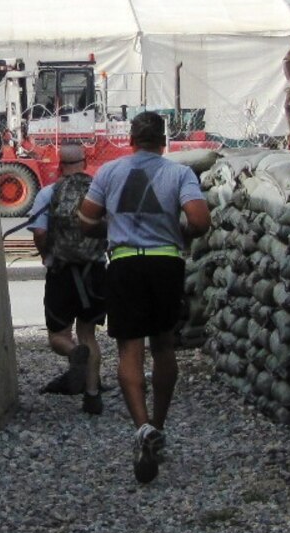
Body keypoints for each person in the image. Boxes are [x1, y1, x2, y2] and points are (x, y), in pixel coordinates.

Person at [76, 111, 210, 483]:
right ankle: (160, 425)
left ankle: (141, 428)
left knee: (129, 350)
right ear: (163, 142)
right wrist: (177, 234)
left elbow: (85, 219)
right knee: (164, 346)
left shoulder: (108, 173)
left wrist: (109, 227)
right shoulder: (180, 174)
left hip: (124, 265)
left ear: (130, 140)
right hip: (166, 265)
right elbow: (199, 221)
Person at [24, 142, 107, 412]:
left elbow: (39, 232)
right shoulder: (98, 191)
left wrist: (46, 255)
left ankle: (73, 354)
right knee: (88, 335)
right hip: (93, 272)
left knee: (58, 335)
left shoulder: (48, 193)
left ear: (60, 165)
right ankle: (92, 395)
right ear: (85, 162)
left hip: (61, 271)